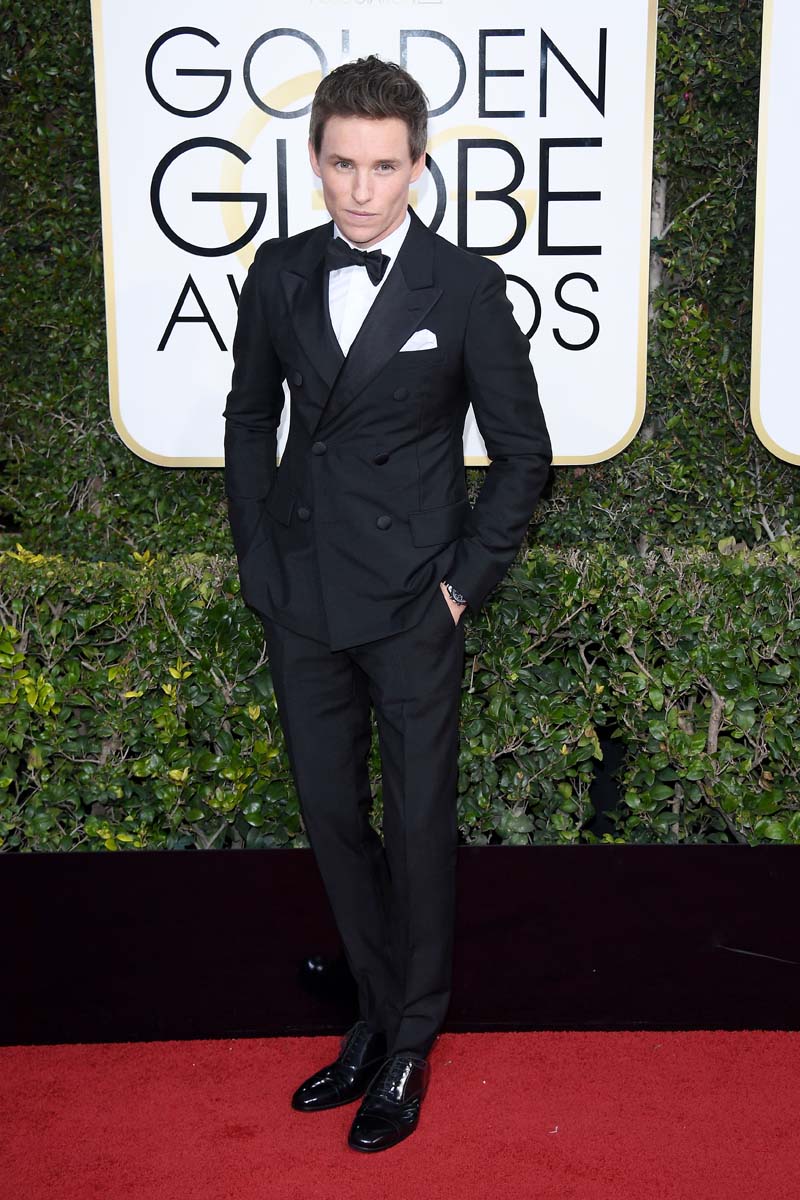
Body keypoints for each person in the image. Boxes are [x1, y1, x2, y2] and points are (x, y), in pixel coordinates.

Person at [223, 55, 552, 1153]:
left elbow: (521, 457)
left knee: (413, 827)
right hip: (302, 596)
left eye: (383, 166)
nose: (361, 188)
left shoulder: (460, 288)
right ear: (314, 163)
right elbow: (244, 418)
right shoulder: (275, 272)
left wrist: (462, 584)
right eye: (341, 164)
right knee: (330, 817)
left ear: (418, 168)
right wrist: (257, 558)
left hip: (414, 602)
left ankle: (411, 1036)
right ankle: (369, 1007)